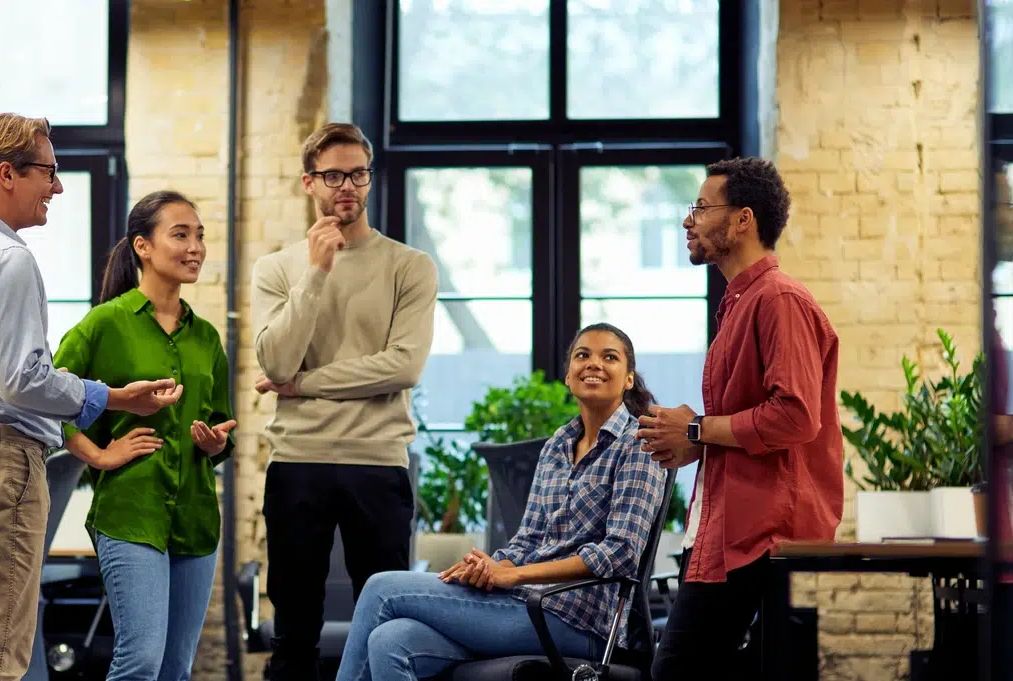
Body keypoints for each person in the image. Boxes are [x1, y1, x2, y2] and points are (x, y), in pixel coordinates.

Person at [0, 112, 182, 681]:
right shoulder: (7, 259)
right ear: (6, 174)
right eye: (48, 173)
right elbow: (23, 380)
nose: (56, 187)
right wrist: (110, 397)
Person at [334, 323, 669, 681]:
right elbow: (527, 541)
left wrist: (512, 575)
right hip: (522, 604)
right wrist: (490, 567)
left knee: (381, 588)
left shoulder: (638, 444)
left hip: (576, 619)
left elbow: (620, 554)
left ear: (629, 378)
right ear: (569, 377)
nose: (594, 364)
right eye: (582, 355)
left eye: (610, 357)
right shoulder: (559, 444)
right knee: (390, 640)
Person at [637, 157, 842, 681]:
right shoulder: (741, 302)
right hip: (734, 527)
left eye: (702, 208)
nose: (689, 220)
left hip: (761, 531)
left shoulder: (779, 299)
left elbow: (795, 416)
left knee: (675, 672)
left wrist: (697, 429)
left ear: (743, 220)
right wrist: (695, 440)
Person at [250, 122, 438, 681]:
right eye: (333, 175)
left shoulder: (410, 266)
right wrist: (316, 272)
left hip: (377, 462)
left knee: (383, 626)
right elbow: (277, 363)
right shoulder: (278, 269)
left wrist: (306, 384)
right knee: (293, 633)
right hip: (298, 462)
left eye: (358, 174)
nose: (347, 187)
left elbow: (403, 366)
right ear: (310, 183)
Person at [52, 190, 237, 681]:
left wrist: (215, 443)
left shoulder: (206, 338)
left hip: (196, 520)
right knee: (140, 663)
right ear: (143, 247)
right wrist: (100, 454)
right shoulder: (104, 324)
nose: (195, 246)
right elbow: (50, 400)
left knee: (176, 669)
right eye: (180, 234)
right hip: (131, 514)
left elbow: (220, 420)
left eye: (199, 235)